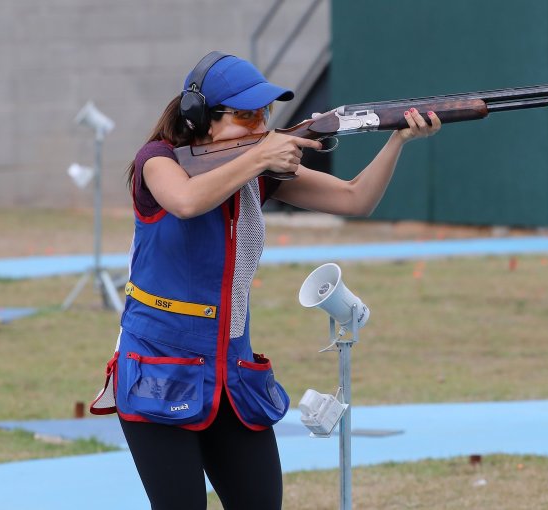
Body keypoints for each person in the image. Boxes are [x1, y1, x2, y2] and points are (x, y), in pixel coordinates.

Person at [88, 51, 440, 510]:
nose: (261, 126)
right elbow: (187, 201)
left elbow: (357, 199)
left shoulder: (260, 171)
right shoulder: (156, 160)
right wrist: (260, 158)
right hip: (158, 373)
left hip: (233, 380)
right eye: (247, 116)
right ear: (202, 120)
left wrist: (397, 140)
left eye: (265, 115)